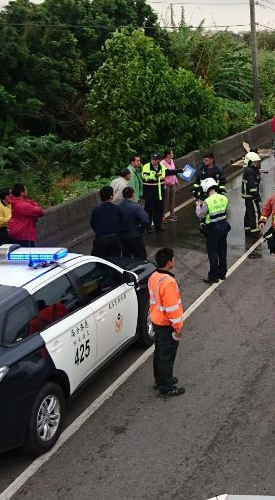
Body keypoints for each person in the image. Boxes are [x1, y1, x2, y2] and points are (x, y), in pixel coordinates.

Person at [147, 248, 185, 397]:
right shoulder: (168, 282)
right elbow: (172, 308)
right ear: (169, 263)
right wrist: (178, 327)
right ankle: (167, 386)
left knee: (159, 353)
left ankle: (160, 379)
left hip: (156, 321)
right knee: (167, 356)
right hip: (166, 324)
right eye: (173, 259)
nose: (174, 261)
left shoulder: (153, 277)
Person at [195, 178, 231, 283]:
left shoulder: (207, 201)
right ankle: (222, 274)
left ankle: (213, 276)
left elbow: (200, 214)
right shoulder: (224, 198)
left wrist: (198, 206)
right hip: (224, 227)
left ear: (206, 188)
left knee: (213, 253)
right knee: (222, 251)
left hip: (213, 229)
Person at [142, 153, 178, 231]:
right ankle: (148, 227)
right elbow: (145, 176)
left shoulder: (161, 167)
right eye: (152, 159)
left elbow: (168, 172)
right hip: (150, 193)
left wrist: (180, 171)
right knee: (149, 210)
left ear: (158, 160)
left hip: (159, 193)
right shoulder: (146, 166)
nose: (153, 161)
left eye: (155, 160)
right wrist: (155, 175)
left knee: (159, 210)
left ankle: (158, 225)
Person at [90, 186, 125, 260]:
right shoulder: (116, 208)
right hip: (114, 240)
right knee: (115, 262)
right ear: (111, 196)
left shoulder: (96, 210)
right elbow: (121, 223)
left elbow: (92, 224)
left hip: (100, 240)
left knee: (101, 262)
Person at [118, 186, 150, 260]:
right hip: (136, 237)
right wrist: (142, 229)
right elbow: (145, 220)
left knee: (126, 259)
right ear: (133, 195)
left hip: (123, 237)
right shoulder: (136, 207)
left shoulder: (117, 206)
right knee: (141, 259)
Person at [7, 183, 44, 247]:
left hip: (16, 232)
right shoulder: (24, 205)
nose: (27, 191)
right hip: (24, 235)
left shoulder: (15, 202)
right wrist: (34, 204)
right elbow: (40, 212)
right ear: (22, 193)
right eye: (25, 190)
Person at [241, 152, 263, 234]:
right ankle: (255, 230)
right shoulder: (250, 171)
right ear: (250, 162)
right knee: (255, 212)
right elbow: (252, 185)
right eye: (255, 162)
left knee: (248, 212)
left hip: (247, 196)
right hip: (251, 196)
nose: (257, 164)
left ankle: (248, 228)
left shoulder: (248, 170)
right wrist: (256, 196)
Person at [162, 149, 179, 222]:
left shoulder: (172, 161)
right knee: (165, 201)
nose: (173, 154)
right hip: (166, 184)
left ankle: (172, 214)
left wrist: (176, 180)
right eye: (172, 153)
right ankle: (163, 216)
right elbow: (166, 173)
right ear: (168, 155)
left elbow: (174, 171)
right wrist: (164, 184)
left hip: (172, 183)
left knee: (172, 199)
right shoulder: (162, 163)